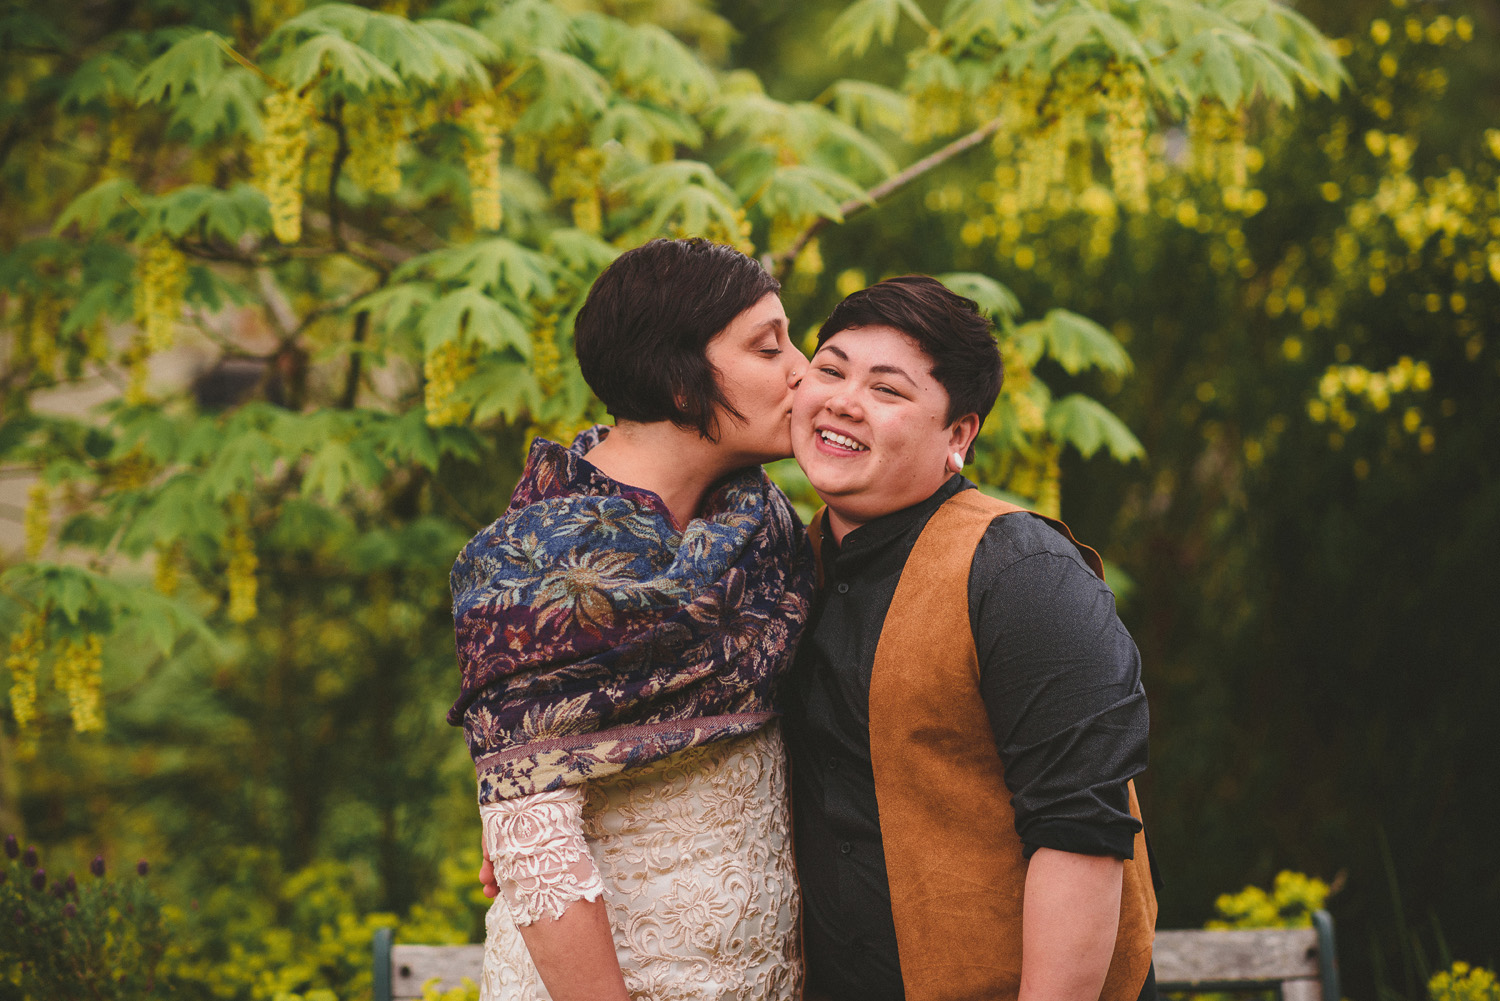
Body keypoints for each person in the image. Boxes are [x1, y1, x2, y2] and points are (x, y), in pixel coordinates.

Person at [448, 238, 815, 1001]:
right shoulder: (525, 565)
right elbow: (534, 837)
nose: (802, 369)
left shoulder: (768, 531)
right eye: (768, 344)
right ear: (679, 380)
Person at [785, 275, 1159, 1001]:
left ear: (959, 435)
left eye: (888, 390)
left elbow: (1082, 830)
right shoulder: (785, 570)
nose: (842, 400)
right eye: (829, 369)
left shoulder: (1021, 570)